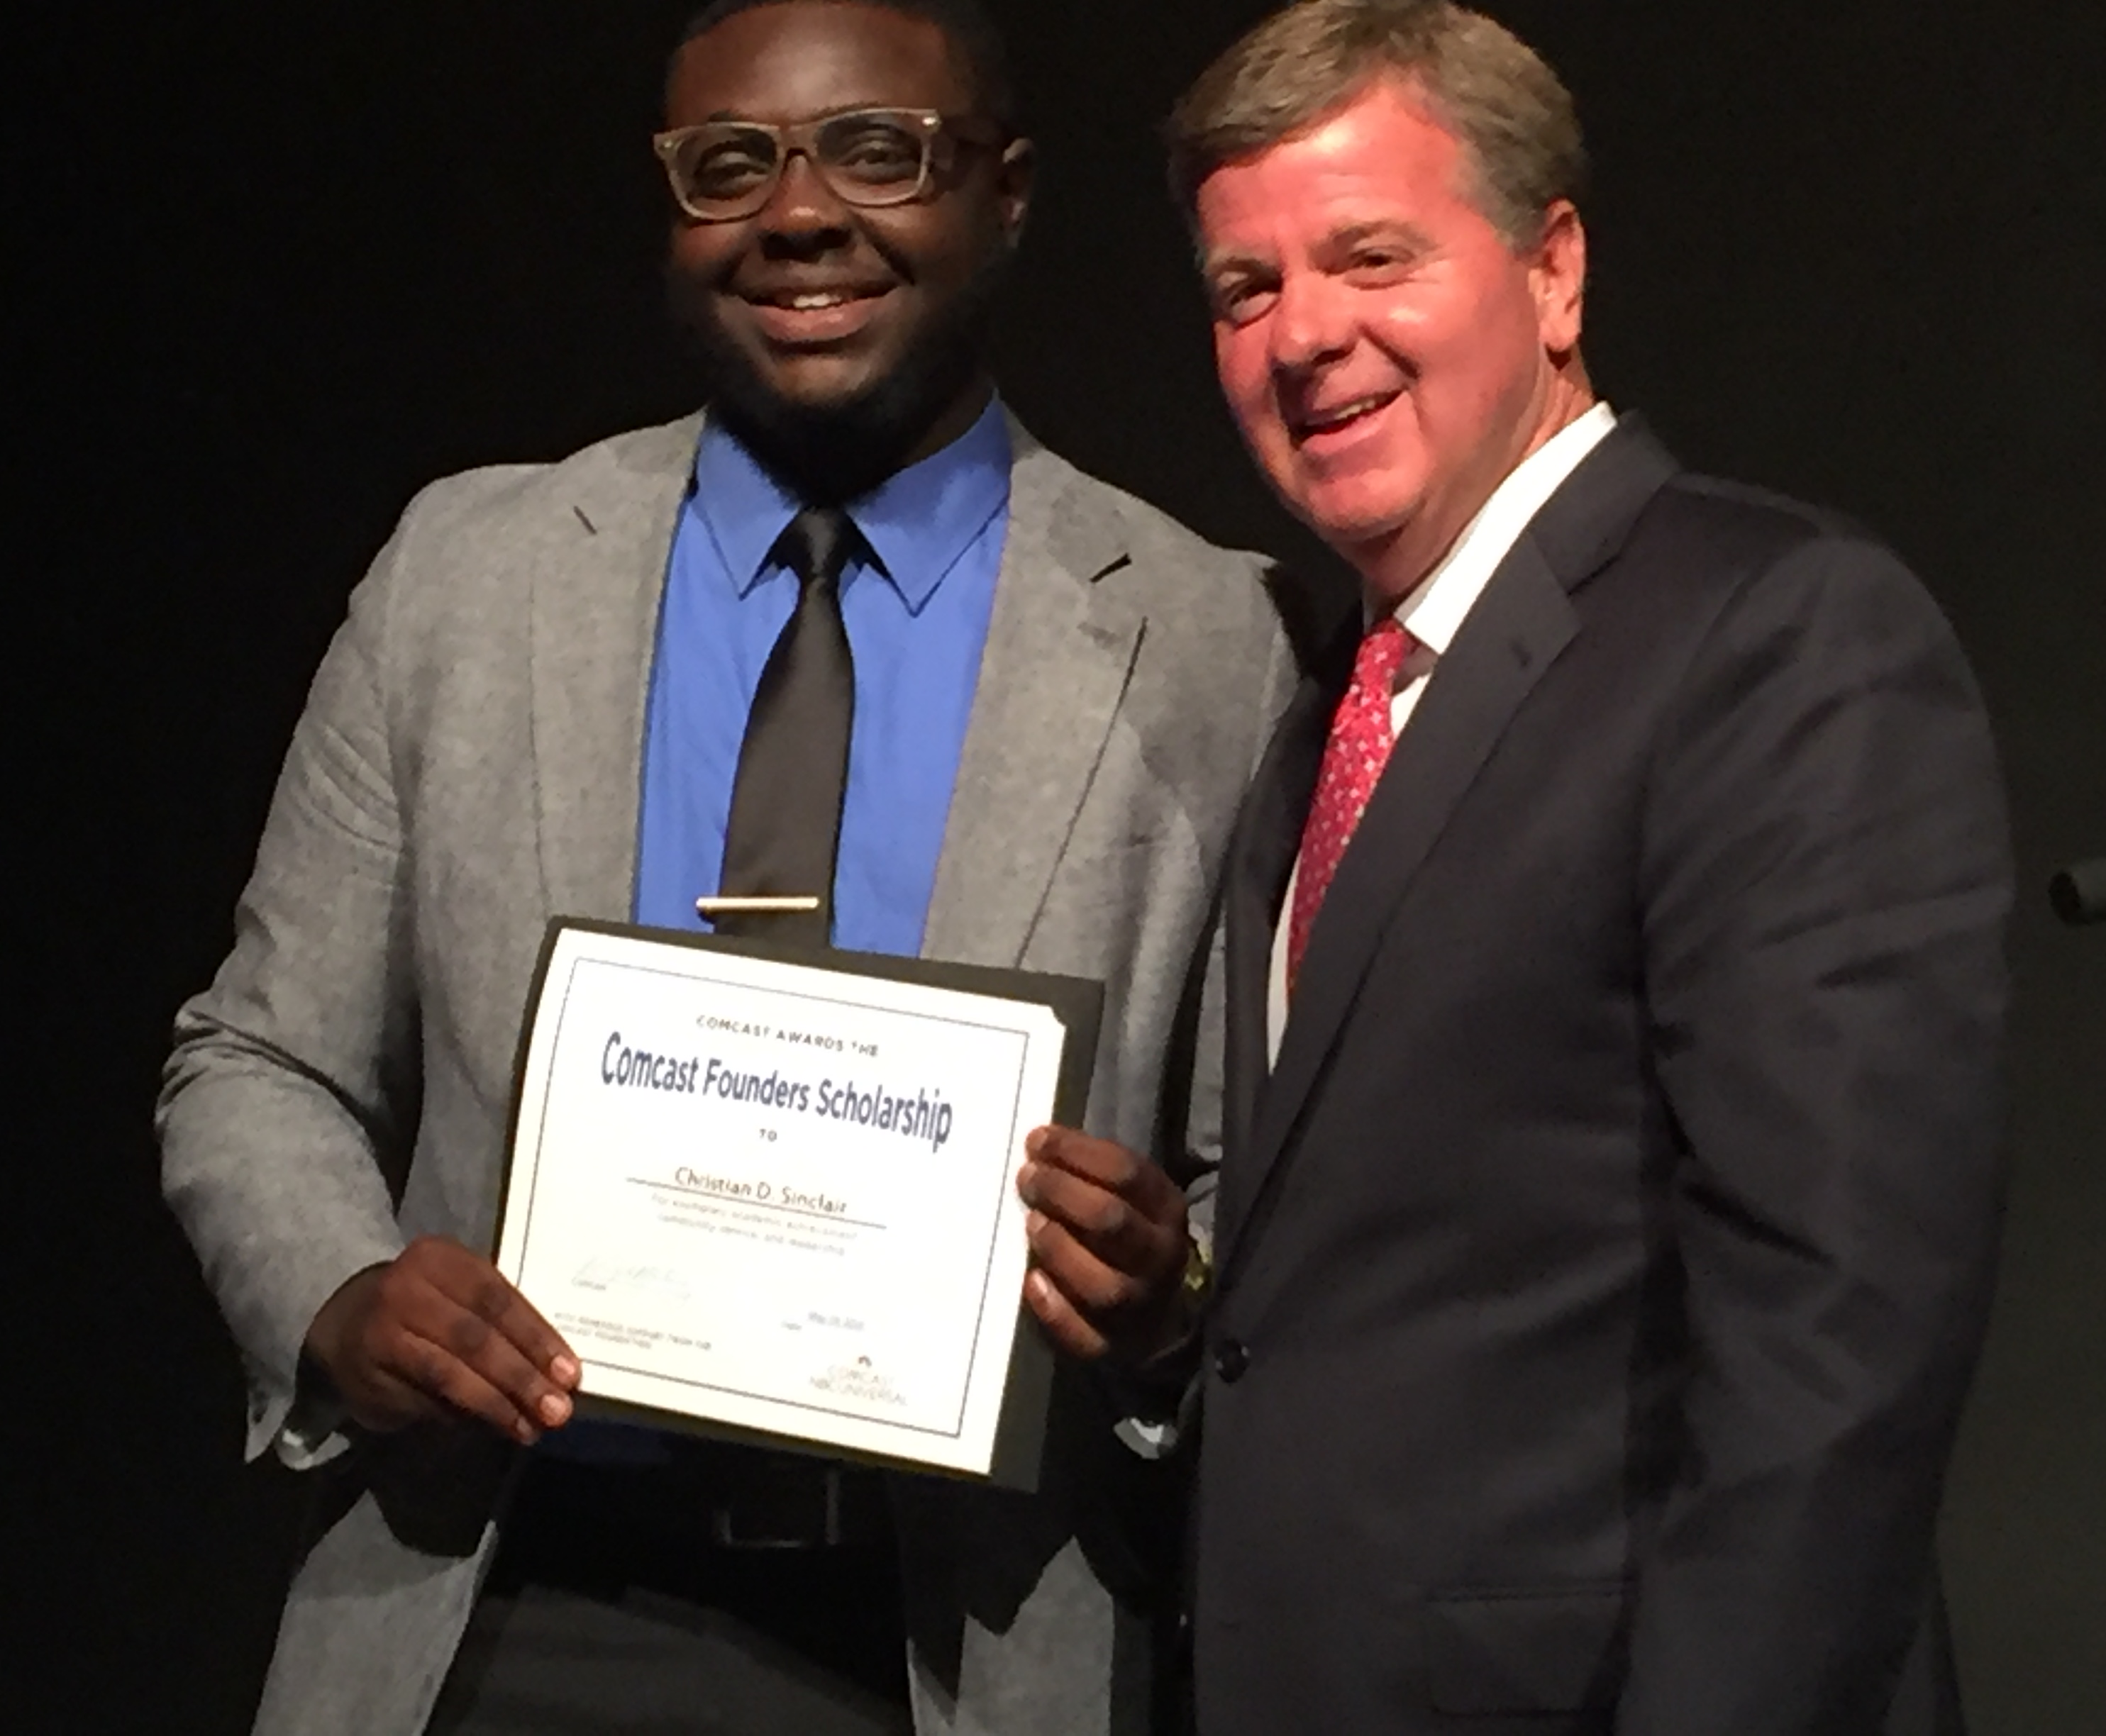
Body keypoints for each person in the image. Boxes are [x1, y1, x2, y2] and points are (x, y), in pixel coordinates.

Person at [155, 2, 1293, 1733]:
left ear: (1007, 192)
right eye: (729, 165)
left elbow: (1259, 1193)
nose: (800, 212)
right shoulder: (469, 572)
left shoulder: (1214, 639)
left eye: (877, 150)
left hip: (959, 1647)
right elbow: (256, 1059)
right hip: (504, 1598)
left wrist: (1166, 1297)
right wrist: (341, 1297)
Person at [1126, 2, 2011, 1731]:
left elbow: (1834, 1349)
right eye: (1248, 288)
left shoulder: (1773, 635)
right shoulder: (1327, 707)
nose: (1306, 336)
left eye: (1370, 255)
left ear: (1553, 273)